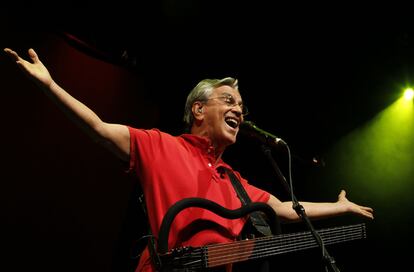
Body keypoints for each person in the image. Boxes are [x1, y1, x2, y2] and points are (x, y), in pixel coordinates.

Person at [3, 47, 374, 272]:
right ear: (199, 109)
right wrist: (51, 86)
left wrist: (339, 207)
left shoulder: (234, 181)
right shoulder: (160, 146)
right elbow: (99, 128)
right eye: (228, 101)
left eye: (241, 107)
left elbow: (287, 210)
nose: (239, 111)